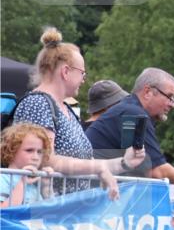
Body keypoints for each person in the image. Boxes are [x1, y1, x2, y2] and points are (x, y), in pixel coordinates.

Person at [13, 28, 143, 196]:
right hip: (49, 211)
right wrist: (99, 168)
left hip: (68, 208)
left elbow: (86, 163)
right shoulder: (37, 104)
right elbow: (46, 160)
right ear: (66, 72)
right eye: (82, 73)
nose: (84, 79)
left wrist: (124, 163)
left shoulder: (65, 109)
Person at [86, 68, 174, 194]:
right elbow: (156, 172)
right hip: (91, 195)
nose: (172, 104)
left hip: (90, 193)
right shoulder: (134, 114)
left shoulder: (130, 110)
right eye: (169, 97)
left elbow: (145, 166)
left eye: (173, 99)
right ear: (148, 92)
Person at [1, 124, 54, 206]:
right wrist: (22, 184)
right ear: (11, 150)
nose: (36, 157)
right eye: (29, 150)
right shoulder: (3, 179)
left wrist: (46, 185)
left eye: (39, 152)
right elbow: (3, 212)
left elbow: (52, 211)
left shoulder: (36, 180)